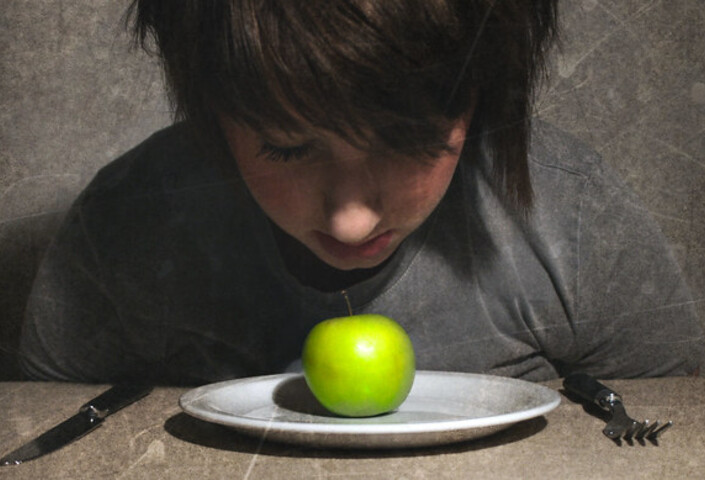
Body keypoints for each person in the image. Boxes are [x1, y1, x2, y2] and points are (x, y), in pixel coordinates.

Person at [19, 0, 704, 385]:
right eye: (287, 147)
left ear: (480, 99)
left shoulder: (574, 218)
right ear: (210, 113)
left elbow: (673, 432)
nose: (350, 223)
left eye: (409, 141)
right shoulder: (125, 228)